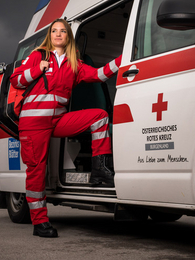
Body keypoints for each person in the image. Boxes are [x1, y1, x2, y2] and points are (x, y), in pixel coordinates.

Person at [9, 18, 122, 238]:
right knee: (37, 172)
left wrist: (122, 59)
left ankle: (100, 171)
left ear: (69, 36)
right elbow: (16, 80)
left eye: (63, 31)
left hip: (57, 120)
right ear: (49, 36)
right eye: (54, 31)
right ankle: (39, 223)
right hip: (33, 123)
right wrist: (36, 70)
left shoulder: (74, 64)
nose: (58, 34)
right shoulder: (38, 56)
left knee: (100, 117)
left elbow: (99, 75)